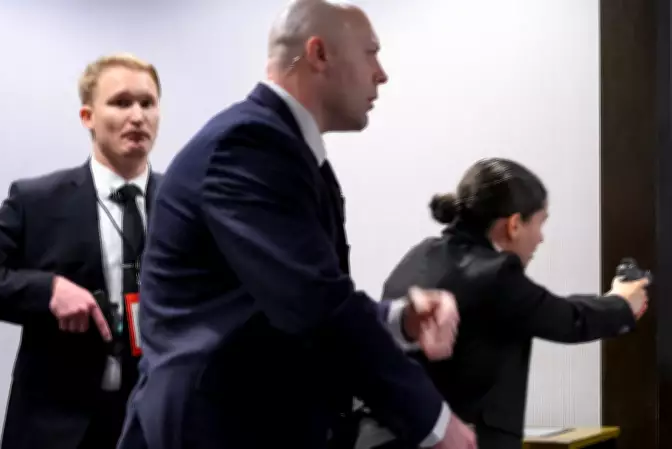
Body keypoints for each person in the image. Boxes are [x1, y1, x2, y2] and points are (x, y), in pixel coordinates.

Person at [117, 2, 476, 449]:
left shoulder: (281, 147)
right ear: (319, 54)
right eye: (370, 53)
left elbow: (290, 298)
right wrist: (434, 423)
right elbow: (315, 303)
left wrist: (400, 320)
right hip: (218, 427)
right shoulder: (247, 146)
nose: (381, 74)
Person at [0, 53, 164, 449]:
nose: (137, 116)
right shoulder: (38, 200)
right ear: (87, 117)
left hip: (158, 423)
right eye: (121, 102)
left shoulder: (184, 202)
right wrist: (48, 291)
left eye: (147, 103)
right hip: (60, 427)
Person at [373, 157, 649, 449]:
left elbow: (538, 305)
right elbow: (566, 319)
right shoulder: (495, 273)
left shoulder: (419, 256)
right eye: (540, 223)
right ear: (514, 225)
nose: (541, 238)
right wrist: (622, 304)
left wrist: (612, 299)